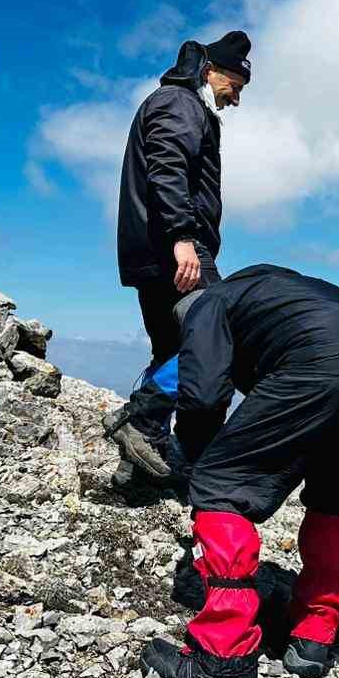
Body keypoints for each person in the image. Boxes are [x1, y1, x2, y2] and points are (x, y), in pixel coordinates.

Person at [138, 264, 339, 678]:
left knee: (220, 485)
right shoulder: (267, 287)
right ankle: (315, 632)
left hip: (325, 356)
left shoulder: (206, 305)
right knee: (333, 496)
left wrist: (200, 459)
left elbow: (203, 396)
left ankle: (222, 656)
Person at [105, 30, 251, 500]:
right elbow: (167, 167)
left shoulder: (180, 103)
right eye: (235, 87)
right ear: (211, 71)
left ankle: (139, 469)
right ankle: (144, 422)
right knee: (217, 339)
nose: (236, 99)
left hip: (156, 250)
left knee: (172, 349)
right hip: (176, 248)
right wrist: (183, 238)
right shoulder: (181, 103)